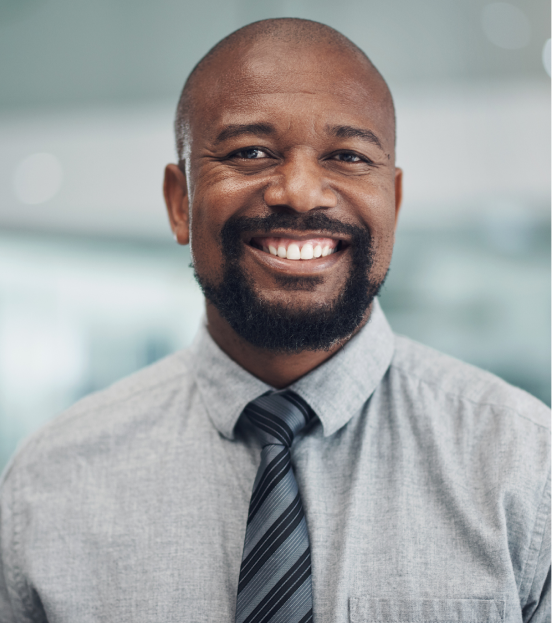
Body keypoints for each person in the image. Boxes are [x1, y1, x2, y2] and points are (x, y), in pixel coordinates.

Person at [1, 17, 551, 623]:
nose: (300, 191)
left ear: (393, 203)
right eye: (251, 152)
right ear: (180, 202)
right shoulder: (47, 483)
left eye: (346, 156)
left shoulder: (525, 466)